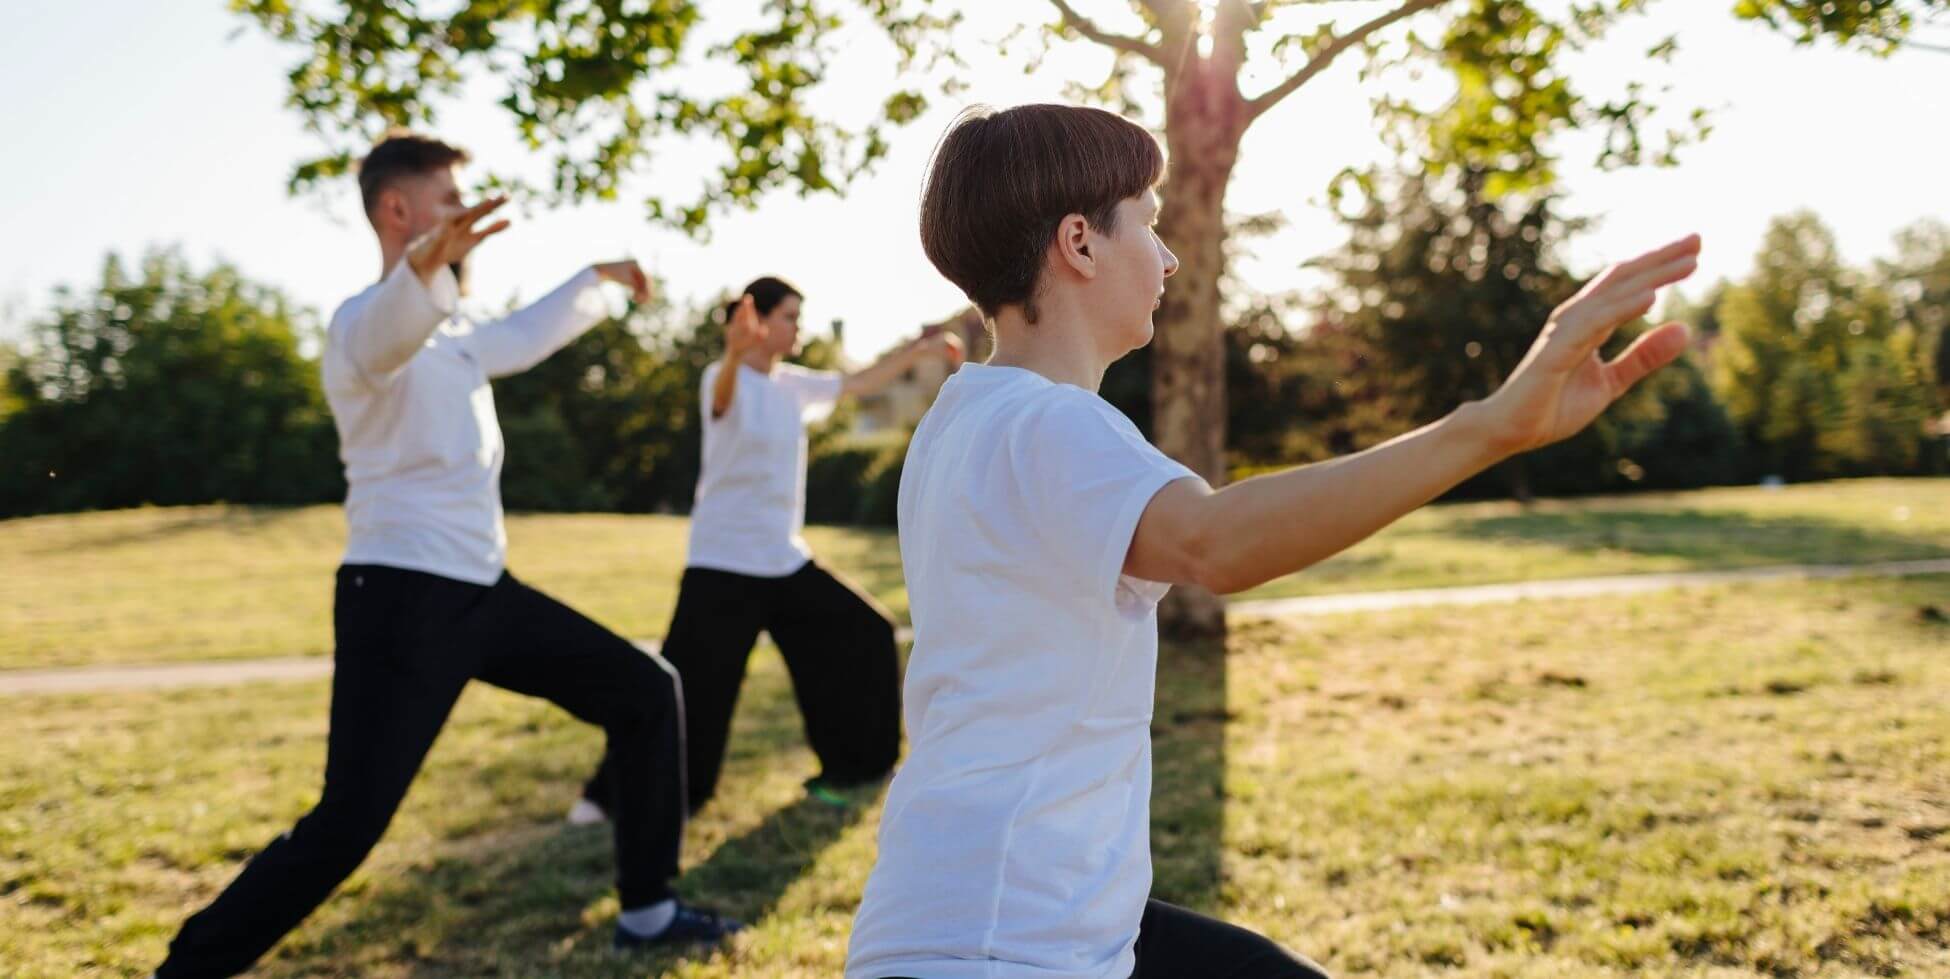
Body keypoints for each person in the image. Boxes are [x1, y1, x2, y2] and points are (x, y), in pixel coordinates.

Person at [845, 103, 1700, 979]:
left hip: (1004, 918)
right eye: (1147, 220)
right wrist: (1491, 428)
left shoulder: (960, 420)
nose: (1169, 256)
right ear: (1080, 243)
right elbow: (1212, 542)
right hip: (998, 949)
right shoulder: (1050, 424)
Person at [153, 134, 738, 979]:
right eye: (449, 199)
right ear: (397, 210)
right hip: (401, 600)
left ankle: (647, 911)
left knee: (647, 690)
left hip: (483, 593)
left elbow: (522, 335)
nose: (464, 213)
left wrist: (597, 277)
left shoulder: (456, 337)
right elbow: (389, 333)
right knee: (349, 824)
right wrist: (424, 267)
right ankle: (188, 967)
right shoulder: (361, 326)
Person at [573, 276, 962, 822]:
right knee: (692, 686)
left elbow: (858, 383)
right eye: (789, 317)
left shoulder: (792, 386)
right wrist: (734, 355)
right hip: (722, 565)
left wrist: (919, 351)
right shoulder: (721, 377)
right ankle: (609, 796)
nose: (798, 327)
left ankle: (859, 767)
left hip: (783, 560)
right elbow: (722, 400)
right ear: (758, 322)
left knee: (866, 632)